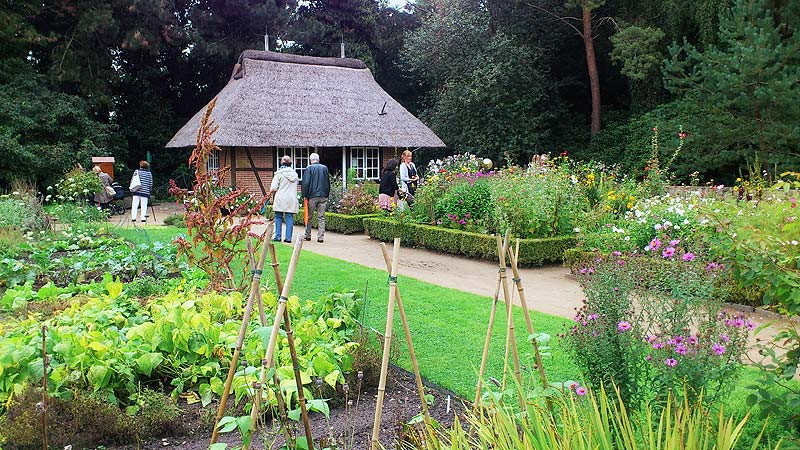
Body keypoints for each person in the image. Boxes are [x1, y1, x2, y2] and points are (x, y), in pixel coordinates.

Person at [301, 152, 330, 243]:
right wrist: (327, 193)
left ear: (311, 160)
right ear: (318, 160)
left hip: (312, 196)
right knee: (321, 217)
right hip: (323, 195)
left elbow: (305, 183)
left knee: (309, 216)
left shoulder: (309, 168)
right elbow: (328, 182)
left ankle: (308, 235)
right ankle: (320, 237)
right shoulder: (324, 168)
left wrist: (305, 195)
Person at [270, 155, 299, 242]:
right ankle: (288, 238)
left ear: (281, 163)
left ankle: (278, 236)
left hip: (281, 198)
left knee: (278, 217)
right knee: (289, 218)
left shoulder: (278, 174)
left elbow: (274, 188)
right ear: (290, 163)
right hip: (291, 198)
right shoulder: (295, 174)